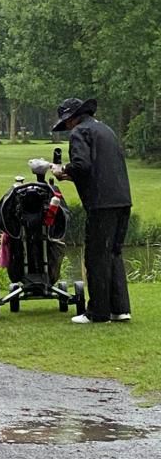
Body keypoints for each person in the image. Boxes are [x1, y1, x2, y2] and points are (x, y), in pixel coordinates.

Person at [50, 97, 132, 324]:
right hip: (122, 199)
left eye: (66, 122)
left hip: (101, 203)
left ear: (72, 118)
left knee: (96, 256)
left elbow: (82, 165)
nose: (66, 127)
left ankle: (98, 312)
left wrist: (62, 170)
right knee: (113, 253)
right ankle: (120, 309)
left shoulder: (80, 133)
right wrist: (73, 173)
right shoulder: (106, 130)